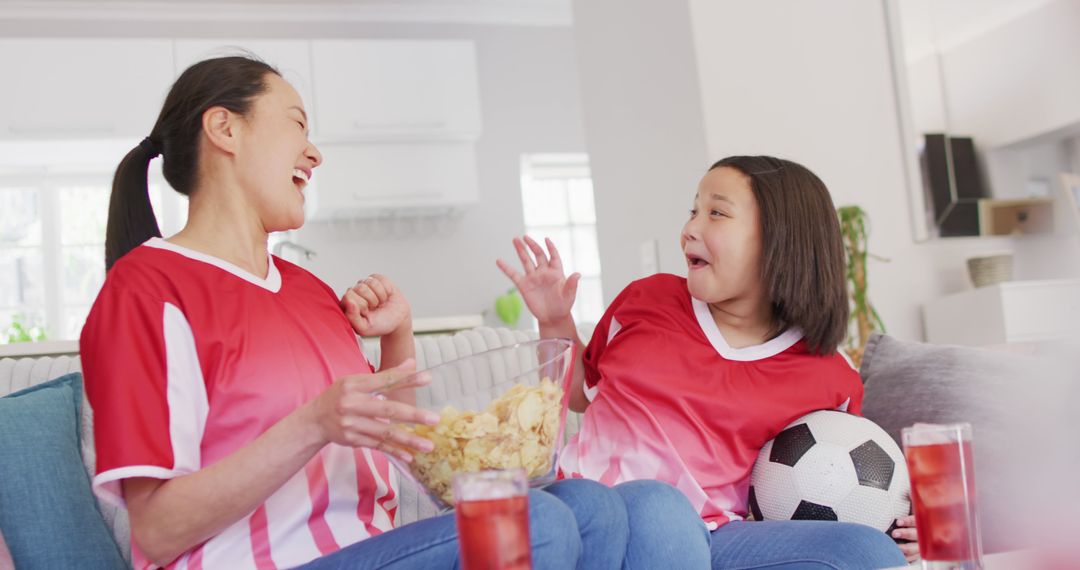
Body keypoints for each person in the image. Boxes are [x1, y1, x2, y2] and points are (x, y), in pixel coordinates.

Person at [80, 55, 702, 570]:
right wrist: (311, 424)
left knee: (606, 505)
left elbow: (396, 446)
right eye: (297, 124)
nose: (315, 152)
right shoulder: (145, 289)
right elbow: (157, 531)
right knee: (530, 522)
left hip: (379, 548)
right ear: (225, 129)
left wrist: (397, 336)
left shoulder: (306, 289)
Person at [498, 156, 917, 569]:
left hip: (715, 539)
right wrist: (554, 320)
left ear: (779, 240)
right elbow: (578, 395)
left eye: (716, 213)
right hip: (592, 517)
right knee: (657, 505)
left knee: (869, 551)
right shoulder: (647, 301)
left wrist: (906, 525)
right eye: (694, 211)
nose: (689, 230)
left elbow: (848, 480)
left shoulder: (828, 374)